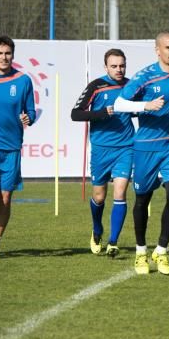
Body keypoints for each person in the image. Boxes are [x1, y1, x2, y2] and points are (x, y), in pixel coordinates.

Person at [114, 32, 169, 276]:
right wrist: (145, 106)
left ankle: (161, 250)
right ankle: (141, 252)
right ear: (157, 50)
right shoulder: (145, 76)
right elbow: (119, 104)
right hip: (146, 147)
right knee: (142, 200)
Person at [0, 36, 37, 260]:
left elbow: (31, 111)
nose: (4, 57)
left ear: (13, 54)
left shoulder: (23, 80)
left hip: (11, 150)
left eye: (8, 53)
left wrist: (27, 118)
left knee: (5, 199)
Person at [70, 48, 135, 258]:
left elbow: (140, 107)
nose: (119, 69)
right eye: (114, 66)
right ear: (106, 67)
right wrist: (101, 113)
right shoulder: (96, 86)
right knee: (99, 197)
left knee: (120, 193)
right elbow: (75, 113)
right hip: (101, 150)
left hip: (126, 147)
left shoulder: (131, 85)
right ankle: (97, 229)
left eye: (122, 65)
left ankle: (113, 242)